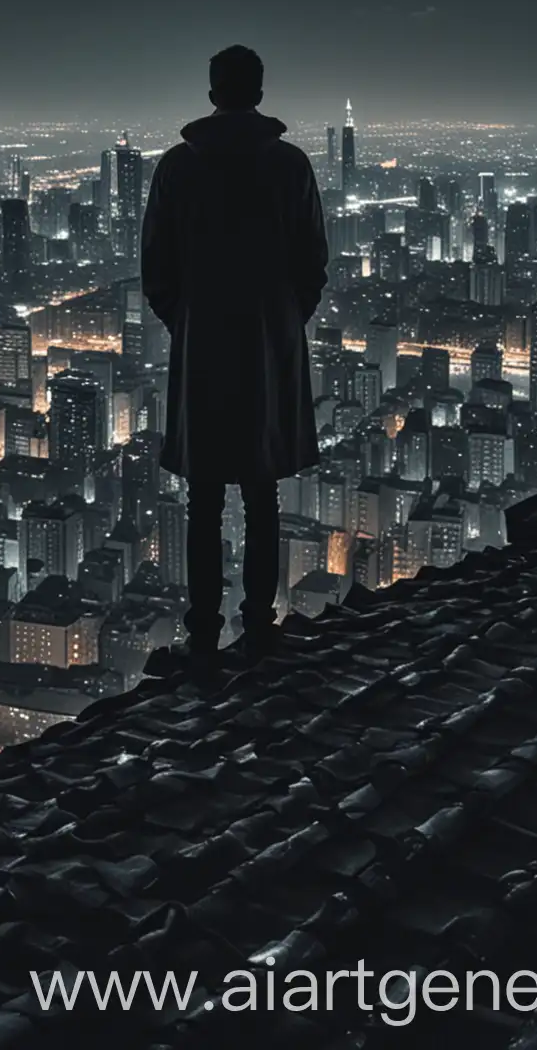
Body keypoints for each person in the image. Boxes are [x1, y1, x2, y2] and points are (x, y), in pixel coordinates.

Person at [141, 45, 328, 670]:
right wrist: (277, 319)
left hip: (204, 349)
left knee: (204, 498)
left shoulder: (177, 168)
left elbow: (156, 271)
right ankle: (258, 623)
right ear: (260, 90)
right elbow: (313, 265)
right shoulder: (290, 166)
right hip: (267, 347)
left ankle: (202, 631)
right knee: (262, 492)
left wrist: (192, 321)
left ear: (214, 89)